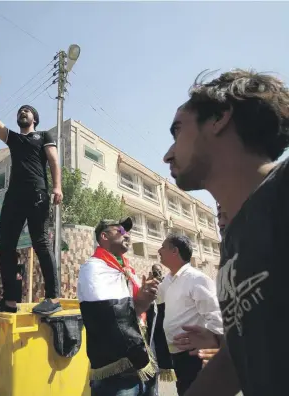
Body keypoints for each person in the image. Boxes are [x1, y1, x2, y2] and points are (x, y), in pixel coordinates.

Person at [163, 69, 289, 396]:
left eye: (178, 131)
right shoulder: (233, 239)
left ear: (219, 117)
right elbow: (238, 356)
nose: (168, 154)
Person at [0, 69, 63, 316]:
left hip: (37, 194)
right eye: (20, 111)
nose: (22, 112)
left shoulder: (43, 136)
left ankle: (52, 297)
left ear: (35, 119)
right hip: (14, 197)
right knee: (6, 247)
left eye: (27, 110)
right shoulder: (14, 139)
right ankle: (9, 301)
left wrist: (57, 186)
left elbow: (54, 161)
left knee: (41, 242)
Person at [78, 217, 160, 396]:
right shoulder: (93, 268)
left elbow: (136, 310)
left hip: (143, 354)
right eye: (121, 231)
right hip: (118, 368)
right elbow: (110, 314)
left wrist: (145, 299)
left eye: (128, 232)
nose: (127, 235)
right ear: (104, 236)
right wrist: (139, 301)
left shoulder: (126, 269)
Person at [157, 234, 223, 396]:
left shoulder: (197, 279)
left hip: (195, 355)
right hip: (178, 356)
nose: (159, 250)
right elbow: (157, 298)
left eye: (163, 247)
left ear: (175, 251)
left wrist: (212, 343)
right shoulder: (168, 280)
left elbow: (215, 316)